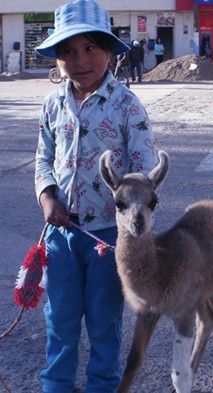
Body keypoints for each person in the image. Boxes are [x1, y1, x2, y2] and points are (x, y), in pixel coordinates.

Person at [35, 1, 158, 392]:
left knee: (104, 321)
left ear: (109, 51)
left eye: (90, 48)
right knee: (60, 320)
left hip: (109, 238)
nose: (80, 59)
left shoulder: (127, 106)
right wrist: (47, 196)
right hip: (61, 235)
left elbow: (144, 173)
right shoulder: (53, 104)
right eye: (68, 51)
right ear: (57, 58)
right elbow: (43, 157)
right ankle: (56, 385)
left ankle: (102, 385)